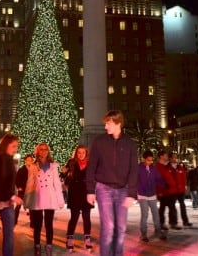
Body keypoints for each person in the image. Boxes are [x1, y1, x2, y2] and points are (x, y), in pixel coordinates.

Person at [85, 110, 138, 256]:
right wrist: (90, 190)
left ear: (118, 123)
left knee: (120, 228)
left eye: (108, 124)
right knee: (108, 227)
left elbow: (134, 170)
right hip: (104, 188)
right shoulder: (99, 141)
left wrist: (131, 193)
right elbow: (91, 167)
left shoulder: (129, 144)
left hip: (123, 190)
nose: (105, 127)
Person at [24, 142, 65, 256]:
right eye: (41, 149)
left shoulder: (53, 166)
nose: (43, 151)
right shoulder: (33, 166)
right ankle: (37, 246)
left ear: (48, 151)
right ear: (37, 151)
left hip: (50, 198)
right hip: (38, 197)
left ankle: (49, 245)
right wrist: (27, 200)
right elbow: (30, 183)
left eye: (45, 149)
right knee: (37, 225)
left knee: (49, 224)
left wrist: (60, 200)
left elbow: (57, 184)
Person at [63, 145, 94, 252]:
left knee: (87, 217)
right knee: (74, 216)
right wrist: (63, 172)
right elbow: (63, 175)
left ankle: (87, 238)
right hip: (75, 191)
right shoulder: (71, 162)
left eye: (83, 152)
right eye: (79, 152)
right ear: (76, 153)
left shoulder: (91, 163)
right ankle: (70, 238)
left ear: (86, 153)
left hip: (86, 192)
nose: (81, 155)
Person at [136, 150, 167, 242]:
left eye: (151, 160)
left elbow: (158, 179)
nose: (150, 162)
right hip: (142, 195)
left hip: (152, 194)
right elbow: (133, 180)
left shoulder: (153, 168)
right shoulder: (138, 168)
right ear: (144, 159)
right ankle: (143, 234)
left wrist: (164, 184)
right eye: (148, 160)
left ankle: (158, 231)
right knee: (145, 214)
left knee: (156, 214)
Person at [155, 150, 179, 230]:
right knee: (162, 208)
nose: (167, 157)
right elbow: (157, 180)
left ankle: (173, 223)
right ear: (161, 156)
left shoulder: (166, 166)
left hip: (170, 191)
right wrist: (159, 192)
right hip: (164, 192)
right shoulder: (157, 167)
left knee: (172, 207)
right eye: (165, 155)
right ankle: (161, 224)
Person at [169, 152, 192, 227]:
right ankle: (173, 222)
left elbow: (184, 178)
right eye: (173, 157)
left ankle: (185, 221)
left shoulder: (180, 167)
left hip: (180, 190)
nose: (175, 159)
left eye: (176, 157)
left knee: (183, 206)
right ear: (170, 158)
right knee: (172, 207)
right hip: (172, 190)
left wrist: (184, 186)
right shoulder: (168, 168)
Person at [15, 154, 33, 225]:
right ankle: (14, 220)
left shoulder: (33, 169)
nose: (29, 161)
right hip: (22, 190)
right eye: (28, 160)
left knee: (31, 208)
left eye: (31, 160)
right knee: (18, 206)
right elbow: (17, 179)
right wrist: (19, 187)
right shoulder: (21, 169)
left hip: (31, 191)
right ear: (25, 161)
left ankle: (33, 222)